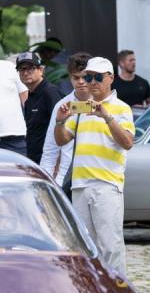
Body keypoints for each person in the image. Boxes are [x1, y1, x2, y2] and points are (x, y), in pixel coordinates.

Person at [52, 56, 135, 271]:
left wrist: (106, 116)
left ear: (110, 78)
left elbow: (127, 142)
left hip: (107, 183)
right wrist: (60, 120)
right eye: (89, 77)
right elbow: (62, 140)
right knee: (84, 246)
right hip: (81, 184)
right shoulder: (81, 108)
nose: (92, 82)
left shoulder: (121, 108)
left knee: (111, 245)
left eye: (97, 77)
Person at [40, 52, 91, 183]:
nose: (80, 82)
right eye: (76, 77)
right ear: (70, 77)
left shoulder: (104, 104)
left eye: (85, 77)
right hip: (66, 179)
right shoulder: (62, 105)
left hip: (96, 179)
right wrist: (47, 184)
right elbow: (50, 150)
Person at [17, 51, 63, 163]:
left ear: (41, 70)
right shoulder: (30, 97)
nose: (26, 72)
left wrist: (58, 160)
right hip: (35, 160)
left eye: (30, 68)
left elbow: (62, 125)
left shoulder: (50, 92)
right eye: (22, 69)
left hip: (50, 160)